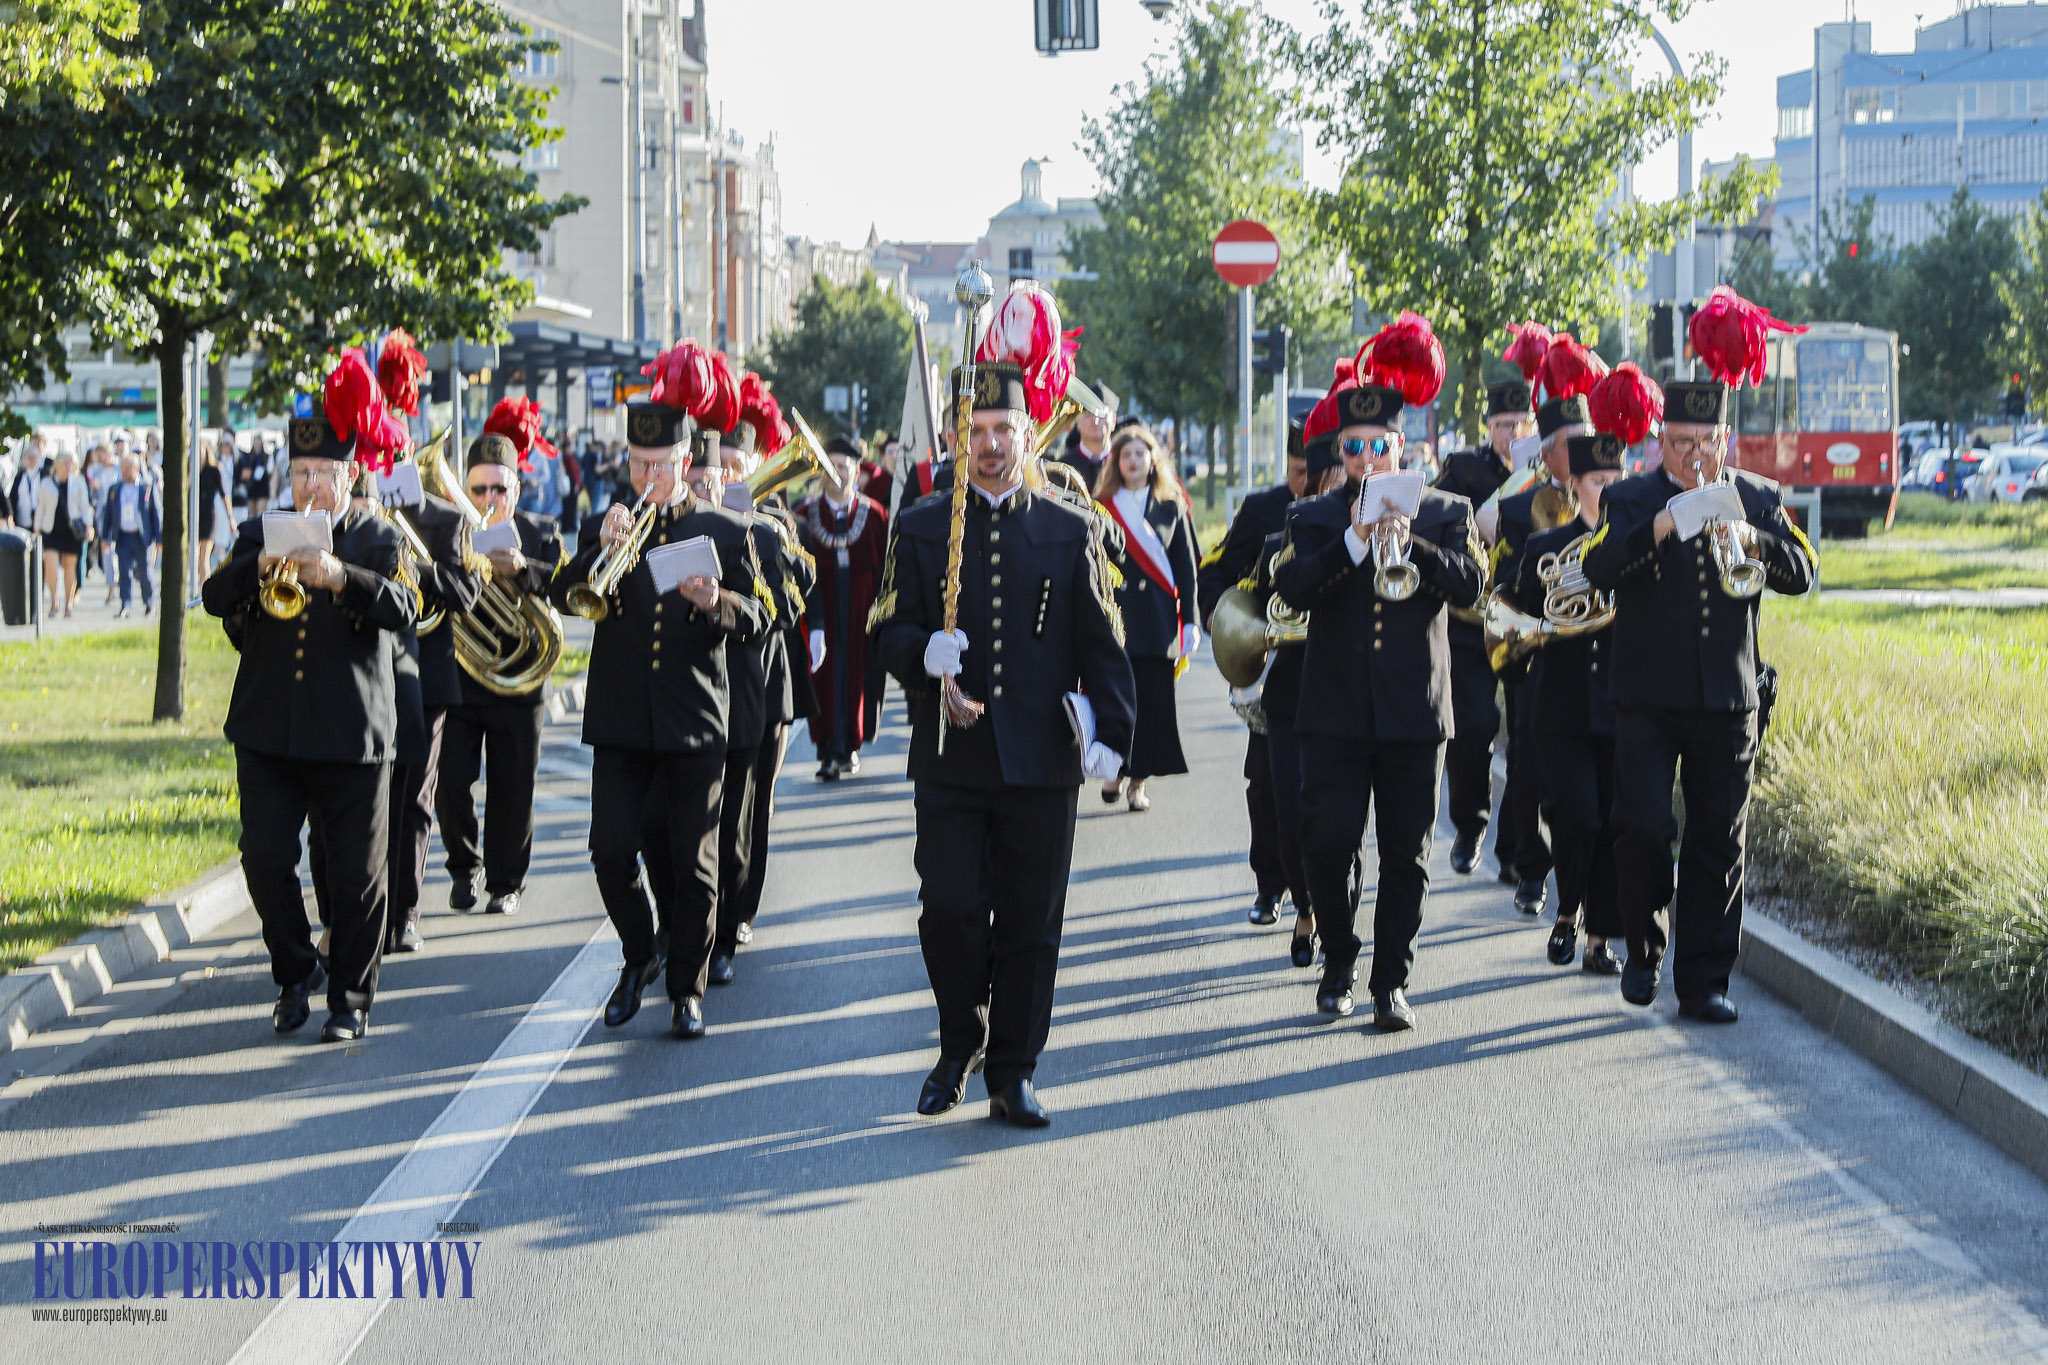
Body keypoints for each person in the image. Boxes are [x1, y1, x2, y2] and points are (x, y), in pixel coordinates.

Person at [875, 353, 1137, 1127]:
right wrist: (923, 653)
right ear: (958, 437)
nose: (990, 443)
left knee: (1032, 919)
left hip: (1041, 759)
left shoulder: (1070, 526)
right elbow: (885, 629)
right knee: (949, 909)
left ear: (1030, 433)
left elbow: (1103, 642)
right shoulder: (922, 525)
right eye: (976, 429)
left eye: (1003, 428)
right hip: (952, 759)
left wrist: (1114, 735)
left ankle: (1013, 1070)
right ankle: (962, 1038)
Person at [1272, 324, 1485, 1032]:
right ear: (1342, 453)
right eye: (1354, 447)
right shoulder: (1313, 516)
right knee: (1327, 844)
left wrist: (1410, 541)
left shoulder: (1446, 511)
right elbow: (1297, 589)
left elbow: (1469, 586)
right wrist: (1356, 540)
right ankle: (1339, 958)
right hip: (1332, 713)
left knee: (1408, 854)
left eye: (1379, 446)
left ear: (1403, 448)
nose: (1367, 458)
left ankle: (1391, 980)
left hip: (1413, 715)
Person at [1582, 378, 1815, 1023]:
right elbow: (1597, 571)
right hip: (1648, 696)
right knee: (1646, 829)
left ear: (1724, 440)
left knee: (1719, 837)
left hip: (1727, 696)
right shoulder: (1629, 498)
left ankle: (1705, 980)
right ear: (1661, 442)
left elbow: (1804, 570)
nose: (1694, 456)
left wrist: (1754, 539)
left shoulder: (1758, 496)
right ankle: (1645, 953)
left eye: (1706, 442)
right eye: (1681, 443)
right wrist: (1655, 529)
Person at [553, 386, 770, 1041]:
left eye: (662, 464)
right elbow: (563, 592)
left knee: (694, 864)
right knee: (610, 849)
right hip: (622, 716)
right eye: (639, 465)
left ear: (686, 459)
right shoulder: (611, 521)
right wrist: (598, 546)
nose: (649, 477)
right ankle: (640, 953)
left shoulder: (725, 530)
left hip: (696, 717)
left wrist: (715, 601)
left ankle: (687, 989)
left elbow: (759, 618)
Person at [200, 399, 417, 1042]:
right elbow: (214, 597)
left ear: (349, 477)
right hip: (270, 731)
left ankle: (350, 998)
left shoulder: (380, 537)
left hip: (351, 735)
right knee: (264, 857)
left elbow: (405, 609)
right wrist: (256, 568)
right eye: (300, 473)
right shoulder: (261, 532)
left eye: (323, 473)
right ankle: (295, 972)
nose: (310, 486)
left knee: (356, 878)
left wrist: (341, 577)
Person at [1509, 432, 1627, 975]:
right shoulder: (1544, 549)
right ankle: (1568, 907)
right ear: (1575, 486)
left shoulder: (1633, 544)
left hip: (1620, 702)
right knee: (1576, 815)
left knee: (1610, 822)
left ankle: (1598, 937)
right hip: (1559, 705)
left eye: (1615, 480)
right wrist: (1554, 614)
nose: (1608, 490)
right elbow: (1517, 619)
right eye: (1599, 482)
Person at [438, 432, 562, 922]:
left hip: (522, 680)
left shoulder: (540, 532)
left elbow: (569, 584)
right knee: (451, 782)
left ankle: (506, 882)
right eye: (479, 490)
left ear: (517, 489)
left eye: (499, 490)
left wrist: (525, 570)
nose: (489, 501)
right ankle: (463, 868)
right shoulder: (451, 531)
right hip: (463, 676)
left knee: (514, 786)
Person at [1487, 393, 1593, 916]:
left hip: (1594, 653)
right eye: (1570, 446)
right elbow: (1504, 586)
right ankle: (1532, 869)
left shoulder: (1612, 498)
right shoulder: (1514, 506)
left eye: (1587, 442)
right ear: (1546, 454)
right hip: (1536, 651)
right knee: (1528, 759)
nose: (1581, 454)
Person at [1196, 427, 1306, 925]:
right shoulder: (1264, 508)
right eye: (1300, 471)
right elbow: (1215, 572)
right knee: (1265, 784)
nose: (1309, 482)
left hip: (1332, 672)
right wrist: (1230, 620)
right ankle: (1270, 885)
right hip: (1274, 667)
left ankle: (1322, 899)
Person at [1433, 380, 1534, 877]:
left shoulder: (1546, 472)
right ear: (1487, 428)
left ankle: (1514, 850)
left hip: (1524, 618)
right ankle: (1470, 826)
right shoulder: (1463, 469)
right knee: (1472, 726)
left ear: (1530, 427)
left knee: (1528, 735)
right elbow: (1435, 520)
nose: (1509, 433)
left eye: (1517, 424)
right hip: (1470, 619)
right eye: (1500, 425)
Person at [1093, 423, 1198, 812]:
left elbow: (1185, 568)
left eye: (1141, 453)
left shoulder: (1171, 505)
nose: (1134, 460)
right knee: (1115, 699)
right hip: (1117, 621)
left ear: (1153, 459)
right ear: (1116, 461)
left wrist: (1190, 621)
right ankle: (1114, 767)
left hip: (1157, 624)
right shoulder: (1102, 504)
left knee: (1151, 706)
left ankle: (1137, 782)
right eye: (1126, 454)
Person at [797, 437, 889, 780]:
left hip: (861, 612)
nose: (838, 473)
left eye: (844, 466)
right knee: (823, 677)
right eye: (831, 466)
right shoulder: (805, 516)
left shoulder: (876, 516)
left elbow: (885, 571)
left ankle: (850, 745)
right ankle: (826, 750)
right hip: (822, 610)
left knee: (857, 676)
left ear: (856, 470)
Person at [97, 453, 160, 617]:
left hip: (142, 538)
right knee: (124, 572)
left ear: (137, 469)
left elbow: (156, 513)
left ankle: (149, 602)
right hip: (123, 537)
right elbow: (108, 516)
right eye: (122, 468)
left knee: (145, 572)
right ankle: (126, 604)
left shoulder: (146, 487)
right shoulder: (115, 489)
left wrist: (159, 538)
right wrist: (105, 538)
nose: (124, 472)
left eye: (127, 468)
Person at [34, 452, 92, 617]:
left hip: (71, 530)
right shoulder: (46, 482)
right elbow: (41, 506)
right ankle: (54, 601)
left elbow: (85, 506)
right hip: (51, 529)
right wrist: (37, 528)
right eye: (65, 462)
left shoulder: (79, 481)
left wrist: (89, 526)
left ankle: (68, 603)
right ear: (57, 464)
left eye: (71, 463)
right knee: (50, 564)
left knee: (69, 566)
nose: (68, 466)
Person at [1056, 388, 1119, 490]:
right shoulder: (1062, 468)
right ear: (1077, 421)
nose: (1095, 421)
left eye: (1102, 414)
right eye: (1088, 414)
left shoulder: (1123, 466)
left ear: (1114, 421)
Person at [196, 436, 229, 575]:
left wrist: (230, 517)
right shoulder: (192, 470)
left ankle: (204, 590)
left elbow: (224, 494)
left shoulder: (214, 470)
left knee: (204, 557)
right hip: (194, 516)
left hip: (208, 515)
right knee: (194, 557)